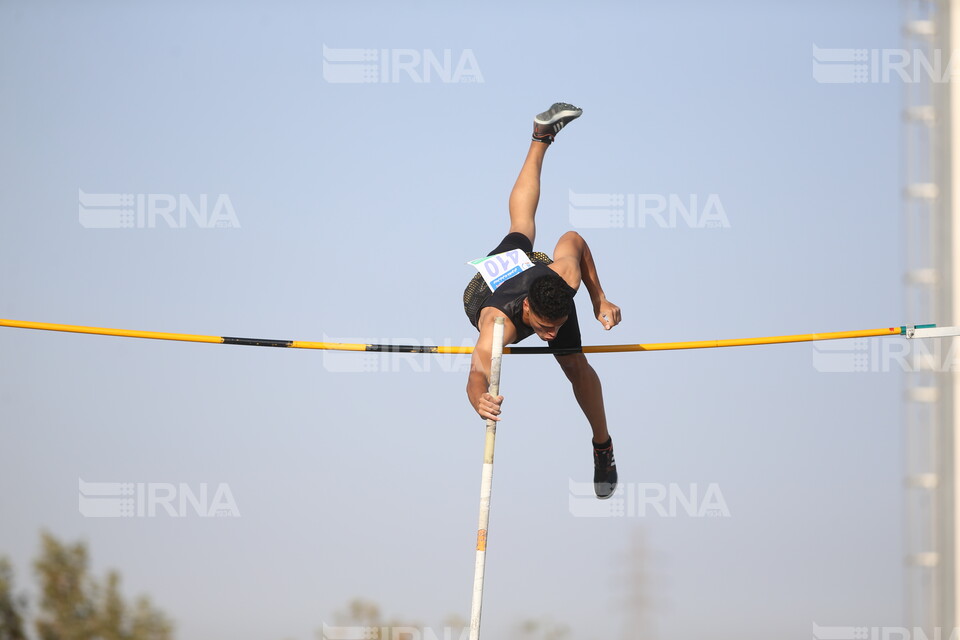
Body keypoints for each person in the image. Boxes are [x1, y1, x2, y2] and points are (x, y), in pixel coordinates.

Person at [463, 103, 623, 499]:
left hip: (537, 273)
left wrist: (598, 299)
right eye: (545, 328)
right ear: (530, 311)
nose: (550, 335)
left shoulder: (562, 280)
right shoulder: (496, 325)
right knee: (520, 229)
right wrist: (478, 400)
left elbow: (574, 240)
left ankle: (603, 447)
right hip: (490, 287)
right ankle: (539, 140)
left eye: (556, 326)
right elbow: (475, 374)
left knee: (574, 363)